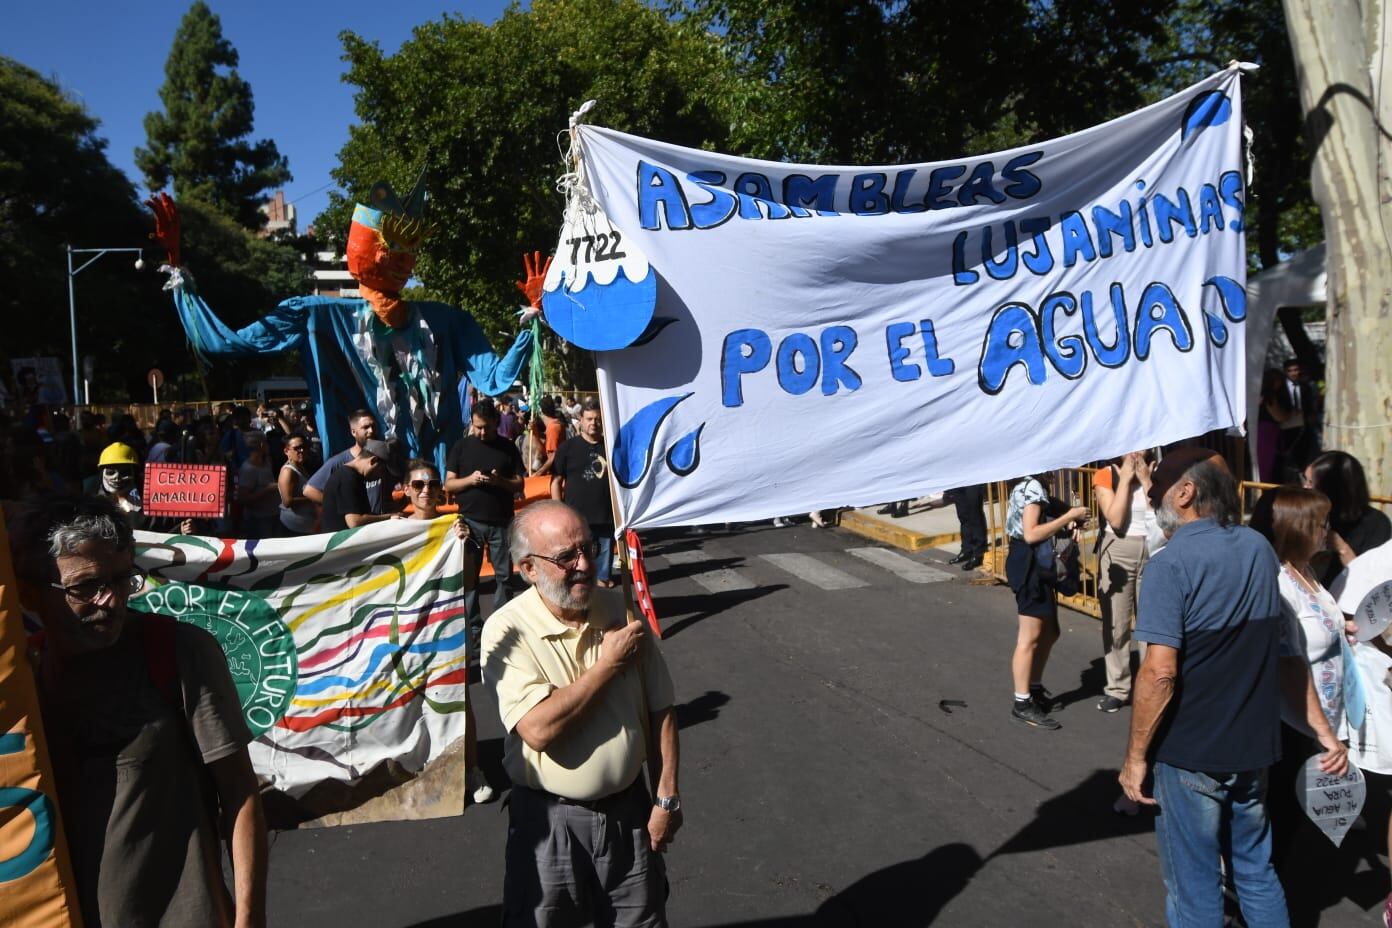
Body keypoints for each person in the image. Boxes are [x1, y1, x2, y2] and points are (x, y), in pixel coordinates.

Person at [11, 495, 267, 927]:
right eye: (85, 586)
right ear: (29, 594)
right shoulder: (22, 685)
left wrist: (249, 920)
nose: (110, 601)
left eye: (122, 579)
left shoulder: (179, 652)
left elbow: (240, 795)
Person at [1119, 448, 1347, 928]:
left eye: (1158, 488)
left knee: (1195, 886)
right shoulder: (1258, 549)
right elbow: (1286, 654)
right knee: (1256, 873)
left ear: (1186, 493)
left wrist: (1136, 757)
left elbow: (1160, 672)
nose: (1153, 496)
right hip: (1253, 752)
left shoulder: (1170, 564)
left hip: (1191, 753)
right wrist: (1324, 734)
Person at [482, 501, 679, 926]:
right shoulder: (505, 631)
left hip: (630, 816)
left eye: (587, 548)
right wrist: (608, 665)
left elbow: (661, 708)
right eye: (565, 557)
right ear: (528, 568)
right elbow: (537, 729)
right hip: (550, 826)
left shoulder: (621, 609)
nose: (585, 565)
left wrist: (666, 799)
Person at [1249, 485, 1362, 919]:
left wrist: (1345, 629)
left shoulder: (1305, 572)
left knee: (1300, 836)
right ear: (1294, 529)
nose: (1327, 531)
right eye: (1319, 523)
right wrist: (1326, 736)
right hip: (1293, 728)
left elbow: (1321, 629)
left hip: (1321, 725)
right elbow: (1291, 667)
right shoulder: (1278, 583)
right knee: (1279, 833)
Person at [403, 457, 495, 804]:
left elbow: (470, 581)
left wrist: (464, 545)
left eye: (431, 485)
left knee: (458, 699)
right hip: (406, 634)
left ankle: (471, 769)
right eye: (418, 485)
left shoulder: (454, 526)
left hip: (446, 629)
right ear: (406, 490)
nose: (426, 491)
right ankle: (421, 768)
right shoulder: (395, 532)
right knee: (409, 704)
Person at [445, 397, 526, 666]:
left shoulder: (507, 448)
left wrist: (498, 480)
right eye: (478, 427)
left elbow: (518, 484)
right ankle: (474, 630)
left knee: (504, 577)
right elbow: (449, 485)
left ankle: (501, 626)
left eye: (487, 428)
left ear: (496, 424)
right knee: (470, 580)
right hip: (470, 522)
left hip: (502, 522)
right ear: (472, 423)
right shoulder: (461, 447)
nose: (482, 433)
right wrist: (472, 480)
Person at [1005, 473, 1089, 729]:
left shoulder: (1035, 486)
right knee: (1029, 637)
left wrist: (1069, 515)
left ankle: (1033, 687)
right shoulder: (1032, 486)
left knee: (1050, 632)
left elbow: (1048, 506)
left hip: (1035, 564)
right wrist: (1069, 518)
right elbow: (1031, 534)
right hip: (1029, 563)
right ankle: (1022, 702)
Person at [1092, 451, 1154, 713]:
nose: (1138, 451)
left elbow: (1163, 514)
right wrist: (1127, 479)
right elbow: (1115, 520)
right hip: (1119, 550)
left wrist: (1147, 480)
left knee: (1151, 625)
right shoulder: (1105, 474)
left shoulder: (1155, 471)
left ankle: (1151, 686)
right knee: (1117, 624)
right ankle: (1117, 688)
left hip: (1152, 548)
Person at [550, 398, 617, 588]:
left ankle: (602, 612)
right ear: (581, 420)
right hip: (576, 521)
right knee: (578, 574)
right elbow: (556, 481)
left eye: (597, 419)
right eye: (589, 419)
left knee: (603, 577)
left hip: (606, 519)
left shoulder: (612, 446)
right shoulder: (567, 448)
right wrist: (559, 510)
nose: (593, 423)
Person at [1304, 450, 1392, 586]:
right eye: (1305, 480)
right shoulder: (1306, 514)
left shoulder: (1376, 524)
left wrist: (1341, 547)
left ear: (1332, 490)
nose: (1304, 488)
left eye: (1311, 483)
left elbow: (1372, 582)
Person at [303, 410, 386, 512]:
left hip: (379, 522)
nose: (371, 431)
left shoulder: (382, 456)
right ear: (353, 432)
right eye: (365, 427)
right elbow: (309, 490)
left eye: (374, 426)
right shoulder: (340, 462)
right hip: (358, 524)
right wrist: (340, 507)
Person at [320, 439, 401, 532]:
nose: (382, 476)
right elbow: (354, 522)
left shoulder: (353, 476)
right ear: (373, 461)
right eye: (383, 471)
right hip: (342, 544)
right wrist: (390, 517)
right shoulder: (347, 477)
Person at [237, 430, 279, 538]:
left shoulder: (267, 461)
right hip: (259, 520)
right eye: (266, 442)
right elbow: (243, 498)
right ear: (262, 445)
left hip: (272, 515)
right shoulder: (248, 469)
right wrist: (268, 489)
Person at [95, 442, 144, 528]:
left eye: (124, 472)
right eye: (111, 472)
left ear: (135, 473)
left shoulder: (149, 507)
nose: (117, 478)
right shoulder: (95, 507)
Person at [277, 435, 318, 535]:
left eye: (304, 447)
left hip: (304, 526)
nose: (302, 450)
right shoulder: (288, 471)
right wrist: (313, 497)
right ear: (287, 451)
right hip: (293, 529)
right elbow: (287, 501)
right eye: (297, 448)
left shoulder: (301, 466)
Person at [945, 485, 988, 570]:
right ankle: (966, 549)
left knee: (975, 514)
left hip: (973, 480)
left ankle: (979, 552)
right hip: (958, 480)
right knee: (963, 515)